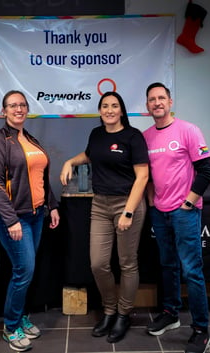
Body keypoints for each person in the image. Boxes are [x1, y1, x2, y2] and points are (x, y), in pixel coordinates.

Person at [60, 91, 149, 343]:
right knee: (98, 263)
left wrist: (128, 211)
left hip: (127, 203)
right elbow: (89, 155)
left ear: (122, 111)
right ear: (100, 111)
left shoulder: (133, 137)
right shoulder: (96, 134)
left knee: (127, 263)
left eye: (115, 106)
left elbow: (142, 176)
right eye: (105, 106)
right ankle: (109, 310)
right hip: (99, 204)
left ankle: (123, 313)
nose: (110, 110)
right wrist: (70, 161)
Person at [0, 90, 60, 352]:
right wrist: (11, 220)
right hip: (15, 219)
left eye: (22, 105)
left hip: (37, 214)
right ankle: (11, 326)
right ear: (3, 111)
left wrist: (51, 205)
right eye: (13, 105)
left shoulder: (29, 138)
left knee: (26, 272)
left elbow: (41, 175)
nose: (18, 109)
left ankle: (20, 316)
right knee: (23, 271)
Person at [143, 82, 210, 353]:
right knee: (167, 265)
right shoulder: (147, 136)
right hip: (159, 212)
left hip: (184, 212)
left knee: (192, 270)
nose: (157, 103)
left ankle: (201, 331)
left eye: (161, 98)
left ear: (170, 102)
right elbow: (147, 175)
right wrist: (152, 203)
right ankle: (171, 313)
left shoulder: (188, 130)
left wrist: (188, 203)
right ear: (147, 106)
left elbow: (205, 171)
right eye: (152, 99)